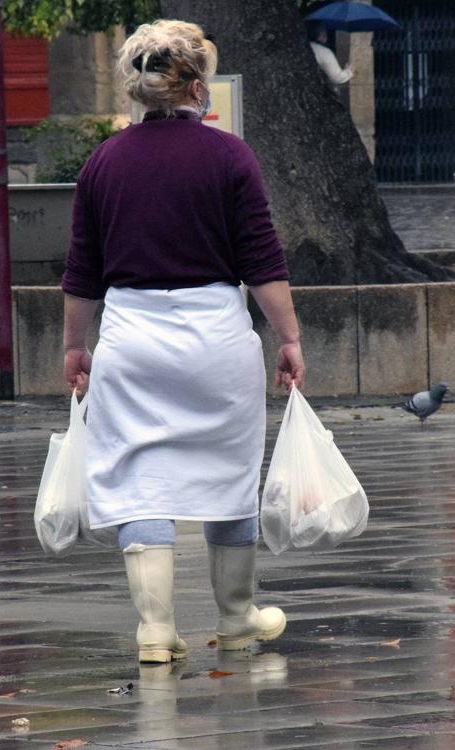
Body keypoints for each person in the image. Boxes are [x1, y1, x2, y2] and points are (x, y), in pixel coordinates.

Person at [62, 19, 305, 664]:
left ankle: (153, 629)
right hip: (215, 339)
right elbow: (262, 259)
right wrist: (289, 337)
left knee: (138, 478)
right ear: (196, 87)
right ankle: (235, 615)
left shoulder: (102, 163)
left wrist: (73, 347)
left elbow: (82, 271)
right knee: (229, 474)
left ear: (137, 87)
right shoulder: (229, 156)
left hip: (131, 338)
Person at [308, 22, 355, 89]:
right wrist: (349, 71)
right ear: (322, 35)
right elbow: (337, 78)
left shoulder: (299, 47)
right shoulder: (324, 52)